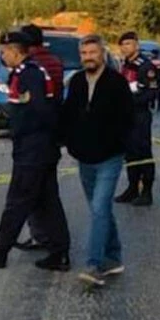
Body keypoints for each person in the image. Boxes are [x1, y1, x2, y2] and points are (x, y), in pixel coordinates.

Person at [0, 30, 70, 271]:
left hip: (33, 149)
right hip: (38, 147)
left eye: (5, 52)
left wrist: (29, 136)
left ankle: (0, 250)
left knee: (18, 201)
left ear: (15, 51)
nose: (3, 56)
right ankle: (59, 252)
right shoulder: (26, 73)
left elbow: (40, 112)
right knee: (47, 202)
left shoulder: (30, 75)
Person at [61, 35, 134, 287]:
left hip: (110, 158)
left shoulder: (117, 82)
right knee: (99, 208)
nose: (88, 57)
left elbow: (128, 118)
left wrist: (121, 146)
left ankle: (94, 264)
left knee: (99, 209)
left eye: (92, 52)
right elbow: (68, 114)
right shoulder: (77, 81)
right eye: (84, 53)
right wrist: (69, 143)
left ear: (102, 53)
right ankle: (114, 257)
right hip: (84, 158)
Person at [17, 23, 65, 251]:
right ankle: (51, 239)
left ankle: (42, 236)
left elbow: (30, 104)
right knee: (48, 188)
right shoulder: (55, 61)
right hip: (53, 129)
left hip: (34, 134)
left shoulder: (31, 66)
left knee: (33, 192)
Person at [114, 32, 160, 206]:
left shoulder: (145, 67)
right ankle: (132, 188)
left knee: (143, 153)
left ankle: (147, 191)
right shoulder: (125, 65)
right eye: (122, 44)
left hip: (139, 116)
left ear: (136, 45)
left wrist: (129, 100)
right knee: (130, 154)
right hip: (125, 116)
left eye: (128, 44)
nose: (125, 47)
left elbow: (151, 93)